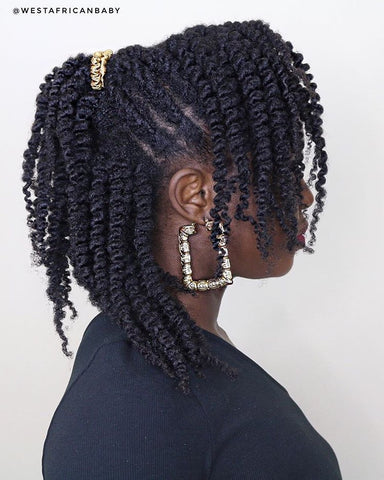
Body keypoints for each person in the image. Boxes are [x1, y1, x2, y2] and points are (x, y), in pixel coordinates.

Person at [21, 19, 343, 479]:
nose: (305, 193)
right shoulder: (132, 411)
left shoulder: (169, 345)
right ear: (196, 197)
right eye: (281, 167)